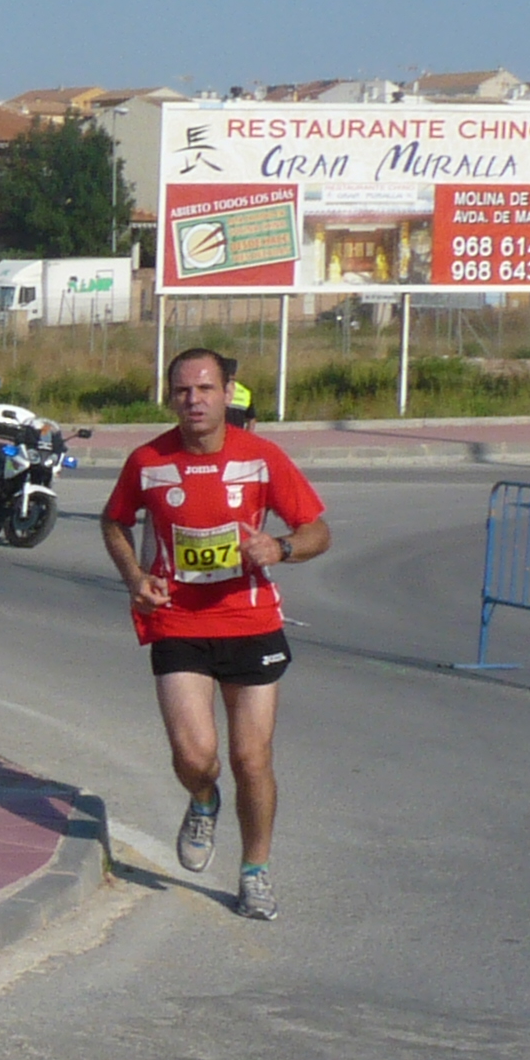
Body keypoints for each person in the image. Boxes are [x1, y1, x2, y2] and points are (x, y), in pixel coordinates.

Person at [99, 346, 330, 921]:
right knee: (195, 755)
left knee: (251, 757)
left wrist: (280, 547)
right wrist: (135, 578)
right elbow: (114, 521)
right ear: (170, 397)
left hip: (250, 621)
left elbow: (317, 530)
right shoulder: (148, 460)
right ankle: (203, 801)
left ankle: (255, 871)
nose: (194, 400)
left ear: (228, 393)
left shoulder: (261, 457)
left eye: (205, 389)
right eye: (182, 391)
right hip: (178, 621)